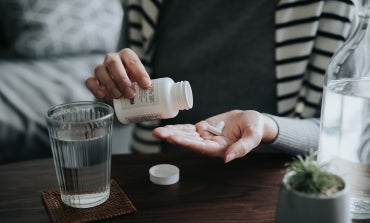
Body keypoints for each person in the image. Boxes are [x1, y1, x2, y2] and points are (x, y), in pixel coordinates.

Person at [86, 0, 356, 162]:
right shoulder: (149, 3)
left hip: (270, 189)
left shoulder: (333, 7)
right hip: (161, 175)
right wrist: (111, 93)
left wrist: (267, 126)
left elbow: (343, 134)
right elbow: (117, 109)